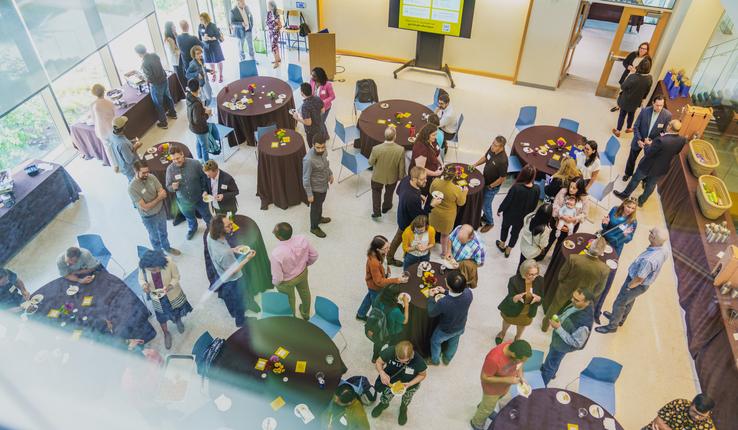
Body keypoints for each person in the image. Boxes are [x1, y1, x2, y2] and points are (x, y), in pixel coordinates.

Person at [596, 227, 668, 334]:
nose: (649, 232)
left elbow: (639, 278)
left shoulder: (649, 260)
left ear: (653, 238)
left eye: (651, 232)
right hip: (643, 284)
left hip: (635, 283)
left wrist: (629, 287)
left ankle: (612, 326)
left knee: (619, 303)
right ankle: (620, 319)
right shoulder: (663, 249)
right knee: (629, 301)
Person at [614, 120, 687, 207]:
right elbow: (676, 152)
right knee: (651, 185)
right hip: (661, 168)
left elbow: (648, 153)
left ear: (670, 127)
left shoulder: (661, 140)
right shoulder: (682, 140)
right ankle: (641, 202)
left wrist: (647, 144)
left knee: (635, 180)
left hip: (647, 166)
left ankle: (624, 195)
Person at [542, 237, 609, 331]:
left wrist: (563, 284)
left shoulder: (574, 258)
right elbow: (600, 289)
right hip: (583, 297)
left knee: (553, 308)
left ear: (590, 247)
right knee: (574, 314)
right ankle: (565, 329)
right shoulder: (605, 269)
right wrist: (588, 297)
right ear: (602, 252)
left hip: (565, 289)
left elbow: (561, 275)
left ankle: (544, 326)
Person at [206, 214, 257, 327]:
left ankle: (234, 312)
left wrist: (233, 249)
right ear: (220, 230)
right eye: (228, 226)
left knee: (231, 296)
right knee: (239, 300)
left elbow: (222, 251)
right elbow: (232, 271)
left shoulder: (210, 235)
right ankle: (240, 321)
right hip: (232, 279)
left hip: (221, 272)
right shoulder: (223, 254)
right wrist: (247, 258)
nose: (232, 226)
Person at [470, 340, 532, 430]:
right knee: (487, 407)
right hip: (492, 390)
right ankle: (476, 423)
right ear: (514, 355)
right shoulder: (493, 359)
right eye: (521, 360)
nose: (522, 362)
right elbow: (484, 377)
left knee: (489, 404)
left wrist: (520, 375)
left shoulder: (515, 348)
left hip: (504, 387)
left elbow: (520, 364)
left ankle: (485, 406)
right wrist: (507, 379)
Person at [138, 250, 191, 349]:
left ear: (160, 263)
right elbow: (141, 279)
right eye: (150, 270)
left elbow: (176, 277)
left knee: (176, 309)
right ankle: (166, 333)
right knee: (161, 317)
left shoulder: (169, 262)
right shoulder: (144, 267)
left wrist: (170, 286)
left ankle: (178, 321)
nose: (153, 271)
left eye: (154, 269)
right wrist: (144, 285)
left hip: (171, 293)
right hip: (156, 296)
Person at [387, 166, 440, 266]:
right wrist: (432, 205)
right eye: (422, 179)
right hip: (406, 221)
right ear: (414, 179)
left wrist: (419, 195)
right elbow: (420, 217)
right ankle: (390, 258)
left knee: (397, 237)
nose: (426, 180)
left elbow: (398, 191)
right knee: (399, 238)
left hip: (402, 212)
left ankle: (389, 256)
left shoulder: (406, 179)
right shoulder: (412, 198)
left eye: (426, 177)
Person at [541, 288, 595, 386]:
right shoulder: (579, 305)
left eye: (576, 300)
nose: (572, 300)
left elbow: (577, 343)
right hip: (558, 340)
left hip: (561, 346)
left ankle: (542, 384)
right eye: (573, 297)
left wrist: (558, 328)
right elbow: (568, 313)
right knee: (554, 360)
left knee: (551, 362)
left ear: (587, 302)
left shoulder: (584, 323)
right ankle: (551, 373)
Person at [128, 160, 180, 255]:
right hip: (149, 217)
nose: (147, 174)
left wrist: (156, 199)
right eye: (144, 173)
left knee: (164, 232)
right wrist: (158, 198)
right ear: (136, 172)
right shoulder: (132, 188)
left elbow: (163, 192)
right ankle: (160, 255)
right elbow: (145, 207)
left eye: (147, 171)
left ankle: (167, 247)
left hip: (161, 211)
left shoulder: (151, 177)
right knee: (155, 238)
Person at [270, 222, 319, 320]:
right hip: (302, 273)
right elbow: (314, 255)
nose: (272, 232)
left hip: (287, 281)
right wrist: (305, 264)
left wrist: (275, 284)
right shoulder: (303, 239)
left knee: (289, 300)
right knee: (305, 292)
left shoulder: (276, 254)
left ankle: (292, 319)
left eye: (274, 231)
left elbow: (278, 278)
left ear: (279, 237)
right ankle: (305, 313)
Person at [371, 341, 427, 426]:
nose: (401, 363)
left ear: (411, 355)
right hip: (391, 381)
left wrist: (410, 384)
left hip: (410, 385)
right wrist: (382, 373)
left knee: (407, 399)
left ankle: (403, 408)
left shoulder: (418, 361)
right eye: (398, 360)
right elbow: (379, 362)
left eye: (405, 362)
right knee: (386, 395)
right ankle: (383, 404)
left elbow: (422, 375)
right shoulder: (390, 351)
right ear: (396, 352)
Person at [427, 271, 473, 365]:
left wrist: (431, 297)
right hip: (461, 325)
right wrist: (446, 292)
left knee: (435, 341)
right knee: (454, 342)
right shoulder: (469, 293)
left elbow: (431, 313)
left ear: (448, 285)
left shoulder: (443, 302)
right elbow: (458, 295)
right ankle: (447, 359)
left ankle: (435, 360)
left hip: (446, 329)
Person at [165, 146, 212, 240]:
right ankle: (192, 228)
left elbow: (204, 178)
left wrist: (205, 191)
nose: (176, 161)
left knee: (207, 215)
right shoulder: (170, 169)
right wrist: (172, 187)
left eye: (178, 158)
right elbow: (168, 186)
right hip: (184, 201)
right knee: (190, 218)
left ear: (182, 154)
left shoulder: (195, 164)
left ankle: (212, 229)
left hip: (200, 198)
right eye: (173, 159)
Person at [357, 235, 407, 321]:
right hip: (376, 287)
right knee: (377, 305)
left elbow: (384, 263)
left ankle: (360, 314)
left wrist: (388, 270)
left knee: (369, 297)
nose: (389, 249)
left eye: (388, 246)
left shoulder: (381, 254)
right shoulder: (374, 262)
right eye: (386, 248)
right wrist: (397, 280)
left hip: (373, 286)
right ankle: (374, 321)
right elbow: (379, 282)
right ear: (378, 249)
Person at [623, 95, 672, 181]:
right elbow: (636, 126)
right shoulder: (644, 111)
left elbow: (664, 132)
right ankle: (628, 173)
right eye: (657, 105)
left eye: (662, 105)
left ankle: (643, 178)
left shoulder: (667, 115)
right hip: (639, 139)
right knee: (632, 158)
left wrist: (653, 141)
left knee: (648, 162)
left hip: (652, 143)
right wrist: (638, 140)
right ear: (653, 103)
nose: (660, 107)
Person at [496, 165, 539, 258]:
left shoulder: (516, 187)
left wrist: (500, 209)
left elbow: (508, 200)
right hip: (522, 218)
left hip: (509, 215)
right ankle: (508, 250)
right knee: (515, 233)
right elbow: (534, 205)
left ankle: (502, 244)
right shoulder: (537, 189)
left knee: (505, 228)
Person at [496, 260, 543, 344]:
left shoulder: (540, 280)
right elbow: (510, 298)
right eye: (531, 274)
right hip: (514, 307)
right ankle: (502, 333)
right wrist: (515, 298)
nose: (534, 277)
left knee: (522, 325)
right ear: (524, 272)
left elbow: (543, 297)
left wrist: (538, 299)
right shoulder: (514, 280)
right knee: (507, 321)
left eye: (536, 274)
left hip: (528, 310)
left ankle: (517, 337)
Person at [429, 165, 468, 259]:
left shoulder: (435, 181)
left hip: (434, 212)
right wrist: (465, 192)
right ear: (454, 176)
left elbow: (431, 192)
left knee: (431, 231)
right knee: (445, 235)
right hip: (447, 216)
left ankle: (428, 248)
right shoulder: (456, 189)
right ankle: (443, 253)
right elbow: (461, 203)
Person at [544, 177, 590, 258]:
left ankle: (554, 258)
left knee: (561, 244)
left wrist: (574, 219)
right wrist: (561, 217)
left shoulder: (584, 199)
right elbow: (555, 205)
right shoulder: (563, 191)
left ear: (579, 190)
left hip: (572, 224)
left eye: (574, 188)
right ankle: (542, 254)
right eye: (570, 186)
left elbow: (584, 213)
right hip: (557, 221)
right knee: (550, 239)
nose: (571, 189)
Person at [134, 44, 176, 129]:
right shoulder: (154, 55)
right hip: (164, 80)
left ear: (138, 53)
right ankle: (173, 113)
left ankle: (163, 123)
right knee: (168, 97)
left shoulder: (144, 63)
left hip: (156, 85)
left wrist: (143, 78)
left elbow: (150, 78)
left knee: (158, 104)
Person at [472, 136, 508, 232]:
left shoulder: (503, 161)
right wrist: (475, 164)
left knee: (485, 205)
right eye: (493, 143)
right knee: (482, 202)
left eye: (495, 145)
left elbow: (502, 178)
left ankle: (490, 222)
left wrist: (490, 186)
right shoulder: (492, 149)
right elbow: (485, 157)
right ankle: (484, 217)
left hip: (491, 187)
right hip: (485, 181)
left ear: (501, 147)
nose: (492, 146)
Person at [369, 127, 406, 218]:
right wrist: (401, 178)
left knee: (376, 193)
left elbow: (370, 162)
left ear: (384, 136)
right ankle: (386, 207)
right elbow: (402, 167)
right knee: (389, 193)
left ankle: (376, 212)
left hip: (377, 177)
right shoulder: (400, 149)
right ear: (395, 137)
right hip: (392, 177)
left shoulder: (376, 148)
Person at [612, 59, 653, 137]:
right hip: (637, 101)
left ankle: (618, 131)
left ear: (639, 66)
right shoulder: (649, 78)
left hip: (626, 100)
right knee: (631, 114)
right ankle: (629, 128)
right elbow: (647, 91)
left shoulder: (632, 76)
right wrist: (643, 99)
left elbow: (623, 87)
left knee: (622, 115)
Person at [369, 284, 409, 361]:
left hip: (378, 328)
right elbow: (405, 321)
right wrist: (406, 305)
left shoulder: (379, 297)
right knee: (392, 345)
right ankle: (388, 358)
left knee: (378, 343)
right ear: (395, 297)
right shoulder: (395, 311)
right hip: (391, 332)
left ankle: (375, 358)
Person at [302, 137, 333, 238]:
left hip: (324, 186)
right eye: (318, 147)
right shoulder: (308, 160)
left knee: (320, 204)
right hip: (316, 189)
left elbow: (326, 165)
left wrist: (330, 174)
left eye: (322, 147)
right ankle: (314, 227)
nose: (320, 150)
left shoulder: (324, 152)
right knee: (315, 208)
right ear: (312, 145)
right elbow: (305, 179)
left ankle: (319, 218)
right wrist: (309, 194)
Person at [644, 394, 716, 430]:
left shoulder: (709, 427)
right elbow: (658, 422)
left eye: (701, 416)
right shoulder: (679, 403)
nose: (696, 417)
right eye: (694, 412)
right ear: (691, 404)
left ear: (710, 413)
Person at [449, 224, 485, 289]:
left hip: (463, 271)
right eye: (458, 240)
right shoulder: (458, 228)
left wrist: (462, 265)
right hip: (452, 263)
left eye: (462, 241)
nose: (459, 242)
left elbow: (480, 264)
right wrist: (449, 251)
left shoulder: (479, 248)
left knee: (460, 287)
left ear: (470, 238)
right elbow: (450, 239)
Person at [89, 84, 117, 170]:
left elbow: (93, 119)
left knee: (107, 148)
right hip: (111, 128)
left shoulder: (93, 105)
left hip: (101, 130)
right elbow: (115, 115)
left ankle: (115, 166)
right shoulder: (109, 103)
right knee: (115, 145)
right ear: (104, 91)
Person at [410, 124, 443, 191]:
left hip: (432, 173)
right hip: (422, 178)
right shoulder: (421, 148)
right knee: (424, 193)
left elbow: (437, 153)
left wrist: (442, 164)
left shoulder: (433, 141)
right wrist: (435, 173)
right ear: (427, 135)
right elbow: (421, 169)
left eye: (436, 134)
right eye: (433, 135)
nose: (435, 137)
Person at [185, 78, 212, 162]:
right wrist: (207, 114)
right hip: (200, 128)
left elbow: (194, 113)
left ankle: (200, 157)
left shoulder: (189, 97)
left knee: (198, 141)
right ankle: (206, 163)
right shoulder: (196, 104)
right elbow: (198, 120)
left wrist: (202, 109)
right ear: (199, 88)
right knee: (204, 146)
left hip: (193, 126)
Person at [293, 83, 326, 148]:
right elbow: (323, 111)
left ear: (302, 93)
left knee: (313, 148)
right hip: (320, 127)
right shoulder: (318, 98)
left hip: (311, 132)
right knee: (320, 145)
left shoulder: (305, 106)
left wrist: (297, 118)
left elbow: (308, 123)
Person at [109, 116, 142, 182]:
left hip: (122, 165)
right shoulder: (122, 144)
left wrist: (131, 141)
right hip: (131, 169)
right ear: (124, 127)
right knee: (135, 181)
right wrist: (136, 147)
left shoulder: (112, 134)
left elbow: (122, 143)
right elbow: (129, 160)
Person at [197, 12, 225, 83]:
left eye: (201, 19)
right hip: (206, 46)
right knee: (210, 61)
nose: (200, 21)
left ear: (206, 19)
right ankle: (214, 74)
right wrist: (203, 39)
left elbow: (218, 35)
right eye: (200, 19)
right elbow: (200, 37)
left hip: (214, 45)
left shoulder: (212, 25)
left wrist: (210, 38)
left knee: (218, 60)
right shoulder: (200, 26)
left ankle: (221, 75)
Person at [163, 22, 184, 88]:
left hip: (178, 59)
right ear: (170, 28)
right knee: (181, 78)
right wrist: (181, 49)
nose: (175, 27)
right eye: (173, 26)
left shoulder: (173, 36)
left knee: (183, 76)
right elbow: (174, 51)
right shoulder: (169, 39)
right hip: (177, 61)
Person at [266, 1, 282, 68]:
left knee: (273, 46)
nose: (268, 7)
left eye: (269, 5)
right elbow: (267, 21)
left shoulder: (276, 13)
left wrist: (277, 27)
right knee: (275, 45)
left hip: (275, 32)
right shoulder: (268, 13)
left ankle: (276, 63)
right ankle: (278, 59)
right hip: (270, 31)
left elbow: (280, 25)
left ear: (272, 6)